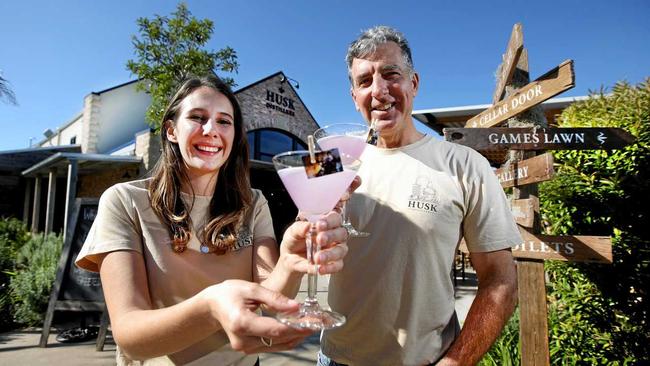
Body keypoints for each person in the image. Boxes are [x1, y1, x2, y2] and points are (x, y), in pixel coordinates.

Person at [75, 74, 350, 366]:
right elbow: (130, 338)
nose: (211, 130)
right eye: (197, 117)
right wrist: (210, 307)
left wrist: (291, 262)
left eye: (224, 121)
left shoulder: (253, 203)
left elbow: (270, 300)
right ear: (171, 130)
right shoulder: (124, 200)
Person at [318, 26, 522, 366]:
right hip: (333, 357)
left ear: (414, 83)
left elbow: (501, 280)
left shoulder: (466, 164)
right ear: (354, 97)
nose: (379, 91)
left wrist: (455, 362)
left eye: (391, 74)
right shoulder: (332, 161)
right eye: (364, 81)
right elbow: (300, 237)